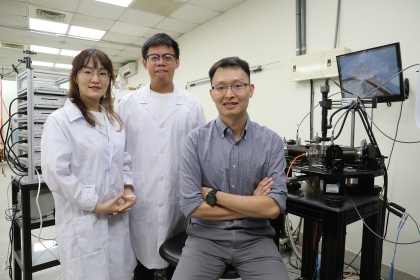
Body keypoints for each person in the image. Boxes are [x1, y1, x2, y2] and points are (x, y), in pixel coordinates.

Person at [173, 56, 290, 280]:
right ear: (212, 93)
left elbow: (274, 208)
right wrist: (254, 205)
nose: (229, 94)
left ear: (250, 89)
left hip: (256, 239)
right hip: (204, 239)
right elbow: (191, 207)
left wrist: (214, 195)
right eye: (221, 87)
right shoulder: (195, 141)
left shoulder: (271, 141)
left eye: (237, 86)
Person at [41, 49, 137, 280]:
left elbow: (123, 161)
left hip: (116, 217)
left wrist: (128, 189)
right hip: (83, 220)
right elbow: (57, 174)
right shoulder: (60, 121)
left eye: (103, 73)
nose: (96, 79)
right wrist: (95, 205)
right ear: (75, 77)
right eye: (88, 71)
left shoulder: (113, 120)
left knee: (119, 272)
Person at [118, 33, 206, 280]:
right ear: (145, 63)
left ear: (177, 62)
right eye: (154, 57)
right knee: (141, 265)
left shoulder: (192, 105)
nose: (161, 62)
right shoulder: (127, 103)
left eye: (168, 57)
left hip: (178, 196)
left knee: (178, 261)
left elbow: (201, 153)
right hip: (138, 195)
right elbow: (119, 150)